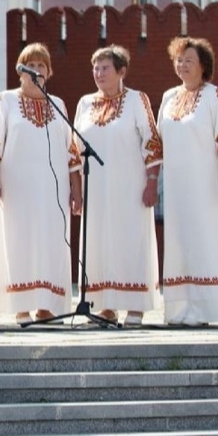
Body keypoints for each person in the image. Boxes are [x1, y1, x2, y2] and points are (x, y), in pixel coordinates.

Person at [0, 43, 82, 323]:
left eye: (41, 65)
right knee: (19, 242)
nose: (36, 71)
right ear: (20, 71)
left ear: (48, 71)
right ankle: (21, 307)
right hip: (17, 189)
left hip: (54, 191)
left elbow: (71, 149)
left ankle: (47, 306)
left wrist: (76, 188)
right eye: (30, 65)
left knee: (52, 243)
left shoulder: (58, 104)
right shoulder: (6, 100)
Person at [72, 45, 162, 325]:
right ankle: (104, 305)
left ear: (121, 71)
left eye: (105, 68)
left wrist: (152, 182)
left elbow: (152, 143)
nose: (98, 74)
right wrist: (76, 190)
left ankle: (135, 307)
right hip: (95, 190)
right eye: (95, 68)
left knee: (131, 241)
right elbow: (73, 150)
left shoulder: (137, 100)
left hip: (130, 188)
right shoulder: (85, 103)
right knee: (97, 242)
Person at [157, 36, 218, 325]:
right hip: (176, 188)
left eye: (188, 60)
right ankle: (180, 310)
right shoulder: (169, 98)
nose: (182, 65)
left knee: (204, 239)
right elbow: (157, 142)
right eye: (178, 60)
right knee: (179, 241)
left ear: (203, 65)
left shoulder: (215, 96)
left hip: (205, 185)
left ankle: (207, 309)